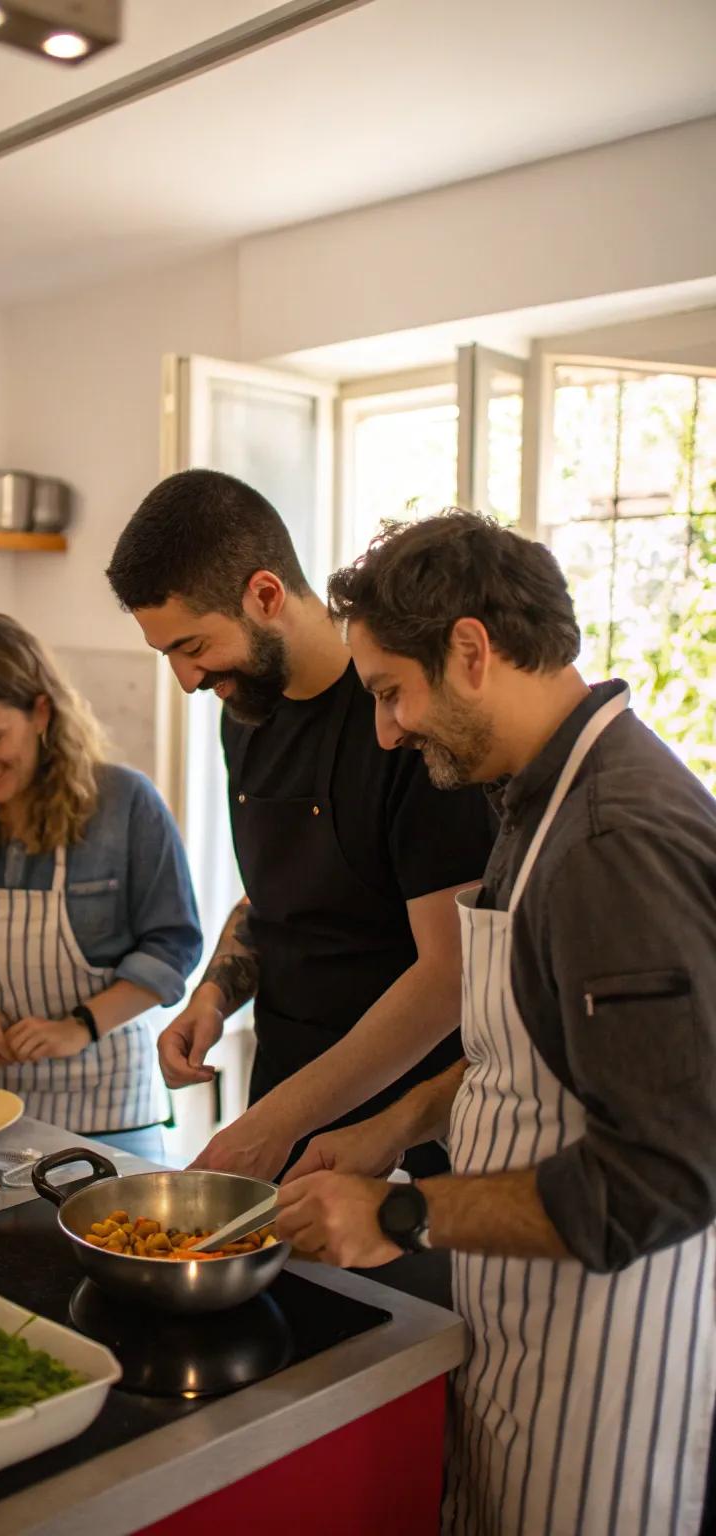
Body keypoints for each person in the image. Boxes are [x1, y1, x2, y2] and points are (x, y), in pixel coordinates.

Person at [276, 510, 716, 1536]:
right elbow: (527, 1049)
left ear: (469, 651)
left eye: (391, 693)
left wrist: (398, 1214)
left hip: (607, 1368)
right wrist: (397, 1125)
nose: (385, 730)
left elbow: (669, 1172)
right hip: (525, 1325)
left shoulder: (614, 839)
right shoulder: (539, 795)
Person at [106, 469, 496, 1179]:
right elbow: (277, 896)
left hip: (406, 1126)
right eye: (168, 656)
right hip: (284, 1091)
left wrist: (282, 1121)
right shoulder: (247, 715)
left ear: (264, 595)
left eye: (193, 647)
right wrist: (213, 996)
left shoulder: (405, 721)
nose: (187, 680)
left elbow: (450, 976)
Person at [0, 612, 202, 1159]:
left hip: (108, 1111)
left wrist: (80, 1026)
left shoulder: (125, 806)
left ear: (41, 712)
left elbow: (173, 946)